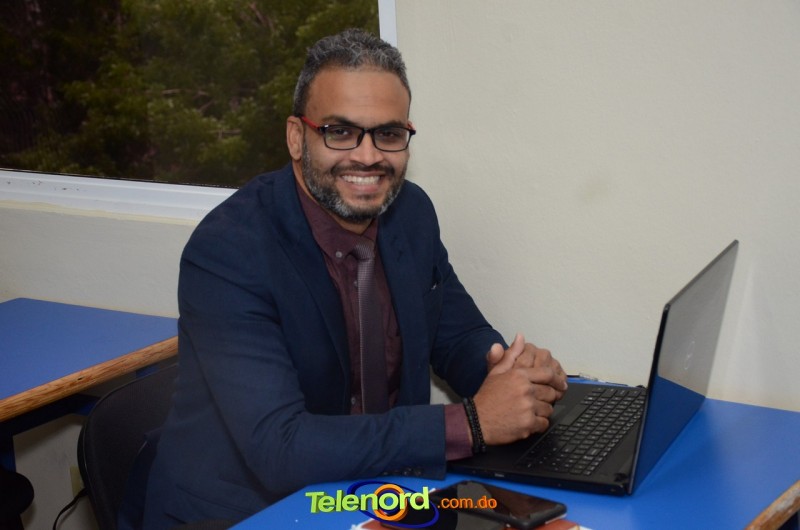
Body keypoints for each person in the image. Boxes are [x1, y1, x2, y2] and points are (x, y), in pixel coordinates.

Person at [139, 28, 567, 528]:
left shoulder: (411, 214)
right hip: (256, 510)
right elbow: (280, 447)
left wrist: (512, 377)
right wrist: (471, 423)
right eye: (340, 132)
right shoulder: (228, 251)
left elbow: (457, 335)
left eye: (388, 133)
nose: (367, 156)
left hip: (384, 496)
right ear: (296, 137)